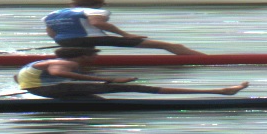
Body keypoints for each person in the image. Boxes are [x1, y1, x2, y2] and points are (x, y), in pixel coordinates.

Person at [15, 45, 248, 100]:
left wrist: (29, 88)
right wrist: (109, 79)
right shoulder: (65, 63)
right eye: (92, 56)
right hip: (48, 90)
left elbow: (17, 77)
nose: (94, 59)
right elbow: (59, 74)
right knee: (136, 87)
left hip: (40, 90)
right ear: (82, 56)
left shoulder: (42, 61)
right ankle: (220, 91)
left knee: (97, 96)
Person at [44, 0, 203, 56]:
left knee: (88, 53)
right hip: (91, 39)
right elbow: (97, 23)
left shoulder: (52, 14)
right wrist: (126, 35)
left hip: (64, 41)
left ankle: (86, 64)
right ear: (98, 5)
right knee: (169, 45)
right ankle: (207, 60)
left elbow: (51, 33)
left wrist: (67, 42)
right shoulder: (94, 10)